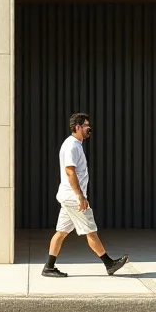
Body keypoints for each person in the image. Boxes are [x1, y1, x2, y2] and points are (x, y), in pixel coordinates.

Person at [41, 113, 129, 278]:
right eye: (86, 125)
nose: (90, 128)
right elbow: (70, 170)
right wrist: (80, 196)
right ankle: (109, 264)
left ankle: (48, 267)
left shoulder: (76, 145)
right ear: (77, 127)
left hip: (68, 197)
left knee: (61, 232)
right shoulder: (72, 146)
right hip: (74, 198)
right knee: (91, 231)